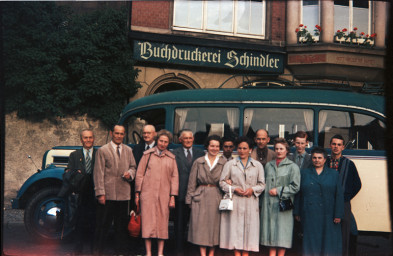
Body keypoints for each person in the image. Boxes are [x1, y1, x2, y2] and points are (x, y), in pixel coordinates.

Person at [93, 124, 137, 255]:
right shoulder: (102, 150)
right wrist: (100, 193)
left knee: (121, 226)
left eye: (121, 134)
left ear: (124, 135)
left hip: (123, 194)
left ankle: (120, 251)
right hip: (107, 194)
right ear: (111, 134)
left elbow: (134, 167)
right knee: (102, 225)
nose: (119, 136)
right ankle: (97, 251)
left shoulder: (129, 150)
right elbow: (98, 173)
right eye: (116, 133)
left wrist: (130, 174)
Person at [135, 129, 179, 256]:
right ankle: (148, 252)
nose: (163, 144)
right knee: (147, 223)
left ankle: (160, 253)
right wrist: (137, 193)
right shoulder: (147, 155)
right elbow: (139, 175)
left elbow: (174, 178)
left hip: (164, 196)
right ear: (157, 140)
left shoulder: (171, 158)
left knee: (162, 224)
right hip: (147, 195)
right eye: (161, 141)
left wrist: (172, 196)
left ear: (168, 143)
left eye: (166, 142)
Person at [294, 146, 344, 256]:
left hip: (328, 213)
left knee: (328, 242)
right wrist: (297, 211)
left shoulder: (334, 174)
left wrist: (338, 214)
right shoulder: (304, 173)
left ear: (325, 159)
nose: (317, 160)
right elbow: (299, 193)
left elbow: (339, 195)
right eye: (314, 158)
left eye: (320, 158)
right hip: (309, 212)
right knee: (311, 241)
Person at [219, 136, 265, 256]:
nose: (242, 151)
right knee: (236, 230)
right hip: (236, 201)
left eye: (245, 148)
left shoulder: (257, 165)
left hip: (250, 201)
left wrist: (252, 190)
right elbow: (222, 182)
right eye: (239, 148)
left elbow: (262, 184)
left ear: (250, 149)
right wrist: (234, 189)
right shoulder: (230, 164)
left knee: (249, 232)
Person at [186, 135, 227, 256]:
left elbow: (227, 180)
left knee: (214, 227)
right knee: (201, 227)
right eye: (212, 146)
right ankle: (203, 253)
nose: (214, 148)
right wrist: (189, 199)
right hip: (201, 196)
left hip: (216, 196)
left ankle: (211, 253)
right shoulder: (199, 162)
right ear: (207, 147)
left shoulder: (224, 162)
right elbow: (192, 182)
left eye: (217, 146)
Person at [58, 128, 97, 255]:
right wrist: (75, 173)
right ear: (81, 140)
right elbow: (68, 172)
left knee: (94, 222)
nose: (88, 140)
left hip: (95, 191)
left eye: (90, 137)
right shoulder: (74, 155)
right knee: (78, 221)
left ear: (94, 139)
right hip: (80, 192)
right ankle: (77, 249)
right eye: (85, 138)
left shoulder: (100, 153)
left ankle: (93, 250)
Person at [260, 137, 301, 256]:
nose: (278, 151)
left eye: (281, 149)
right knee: (270, 234)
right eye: (276, 149)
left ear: (287, 150)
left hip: (284, 204)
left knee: (282, 233)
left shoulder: (293, 167)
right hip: (268, 205)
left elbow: (295, 187)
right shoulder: (268, 165)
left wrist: (278, 190)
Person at [326, 135, 362, 256]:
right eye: (334, 144)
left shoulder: (349, 164)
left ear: (343, 147)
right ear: (330, 145)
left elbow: (357, 184)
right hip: (326, 203)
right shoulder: (325, 162)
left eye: (339, 145)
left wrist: (345, 197)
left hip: (343, 204)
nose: (336, 147)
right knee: (327, 233)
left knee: (344, 234)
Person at [173, 129, 205, 255]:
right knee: (179, 224)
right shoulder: (174, 153)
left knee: (196, 224)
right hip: (180, 194)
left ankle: (194, 250)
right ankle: (179, 250)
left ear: (193, 139)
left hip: (197, 195)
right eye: (185, 138)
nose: (188, 140)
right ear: (180, 140)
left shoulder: (200, 153)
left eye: (190, 138)